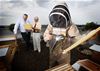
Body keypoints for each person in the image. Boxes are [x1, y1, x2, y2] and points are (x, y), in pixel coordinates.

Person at [43, 2, 80, 68]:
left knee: (64, 67)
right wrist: (46, 37)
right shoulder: (51, 23)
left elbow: (78, 39)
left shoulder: (71, 26)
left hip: (64, 52)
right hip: (52, 50)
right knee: (51, 66)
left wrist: (86, 37)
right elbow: (45, 35)